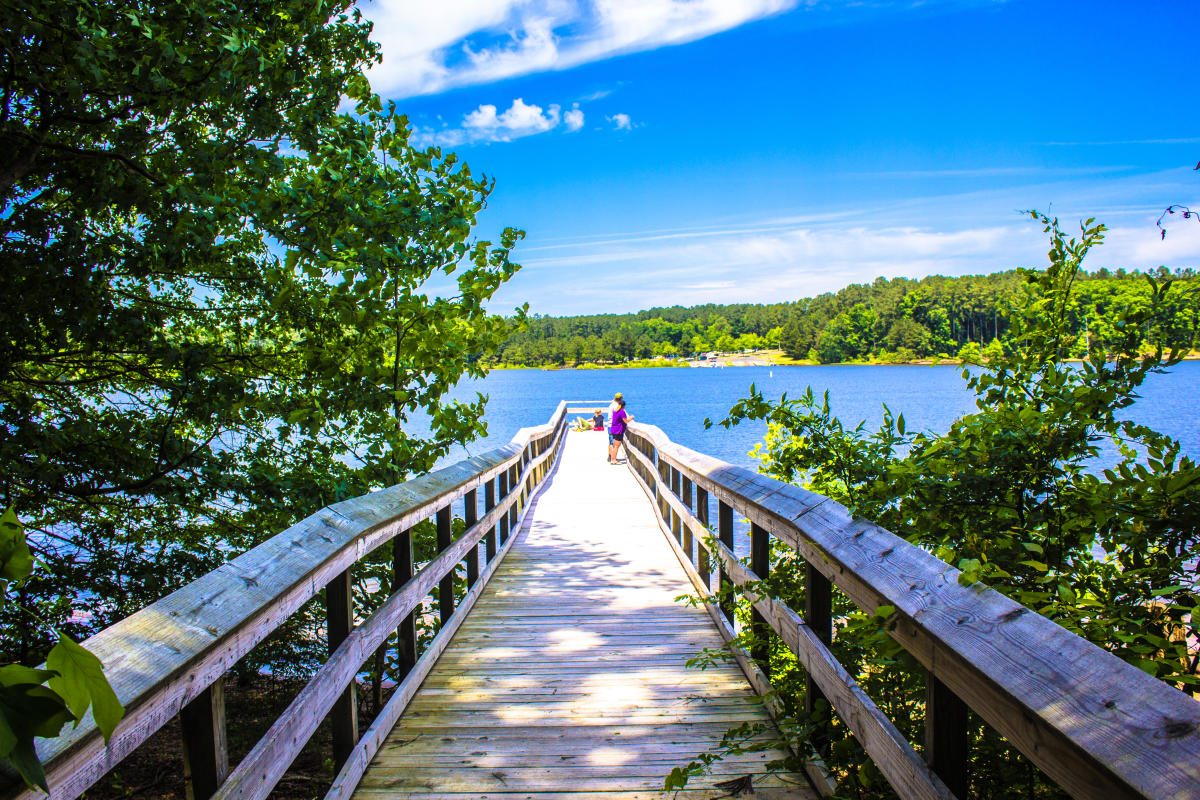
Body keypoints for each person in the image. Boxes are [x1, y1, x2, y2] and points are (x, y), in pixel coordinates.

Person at [608, 397, 633, 464]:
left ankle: (613, 458)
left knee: (614, 445)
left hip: (613, 429)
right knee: (616, 446)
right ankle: (613, 460)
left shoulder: (615, 411)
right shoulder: (622, 412)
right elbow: (626, 421)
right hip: (618, 430)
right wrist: (631, 418)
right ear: (624, 406)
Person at [605, 392, 622, 459]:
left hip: (609, 425)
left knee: (610, 441)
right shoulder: (616, 406)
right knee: (614, 443)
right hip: (614, 426)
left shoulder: (611, 405)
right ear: (620, 399)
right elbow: (618, 415)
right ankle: (613, 459)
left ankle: (610, 456)